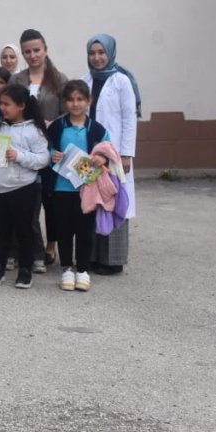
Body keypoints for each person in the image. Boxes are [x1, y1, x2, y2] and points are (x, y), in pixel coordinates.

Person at [10, 28, 68, 270]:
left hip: (51, 146)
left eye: (37, 50)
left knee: (50, 199)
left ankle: (51, 245)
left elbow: (70, 110)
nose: (32, 55)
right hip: (23, 147)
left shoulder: (60, 79)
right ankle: (25, 247)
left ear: (45, 50)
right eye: (27, 52)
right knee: (25, 199)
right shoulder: (17, 80)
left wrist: (52, 122)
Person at [0, 84, 50, 289]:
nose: (2, 107)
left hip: (22, 188)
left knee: (24, 231)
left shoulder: (33, 131)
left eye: (7, 104)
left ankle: (25, 270)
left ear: (21, 106)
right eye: (1, 103)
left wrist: (19, 156)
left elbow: (43, 159)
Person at [84, 34, 140, 276]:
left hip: (115, 153)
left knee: (114, 198)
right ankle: (94, 257)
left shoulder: (121, 81)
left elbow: (129, 119)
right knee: (94, 200)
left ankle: (113, 259)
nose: (97, 58)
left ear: (110, 53)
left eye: (101, 53)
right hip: (91, 153)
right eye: (92, 53)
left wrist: (126, 153)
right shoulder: (84, 80)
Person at [47, 80, 110, 292]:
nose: (75, 104)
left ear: (88, 101)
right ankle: (66, 268)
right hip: (61, 188)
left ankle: (83, 270)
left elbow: (108, 151)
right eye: (71, 99)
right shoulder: (57, 126)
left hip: (87, 190)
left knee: (85, 230)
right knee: (64, 230)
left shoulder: (97, 129)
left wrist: (102, 159)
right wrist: (51, 155)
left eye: (80, 99)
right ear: (65, 102)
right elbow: (46, 149)